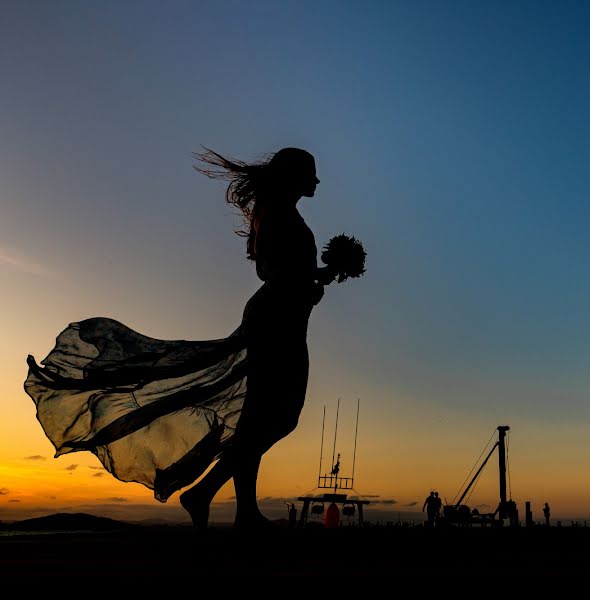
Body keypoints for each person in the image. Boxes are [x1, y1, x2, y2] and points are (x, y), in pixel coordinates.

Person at [24, 147, 364, 530]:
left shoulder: (278, 212)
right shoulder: (279, 214)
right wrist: (308, 282)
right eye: (310, 173)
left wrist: (319, 274)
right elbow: (273, 271)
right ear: (293, 176)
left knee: (259, 418)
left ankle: (240, 511)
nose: (316, 181)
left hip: (279, 316)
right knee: (278, 416)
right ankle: (207, 496)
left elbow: (278, 271)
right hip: (277, 321)